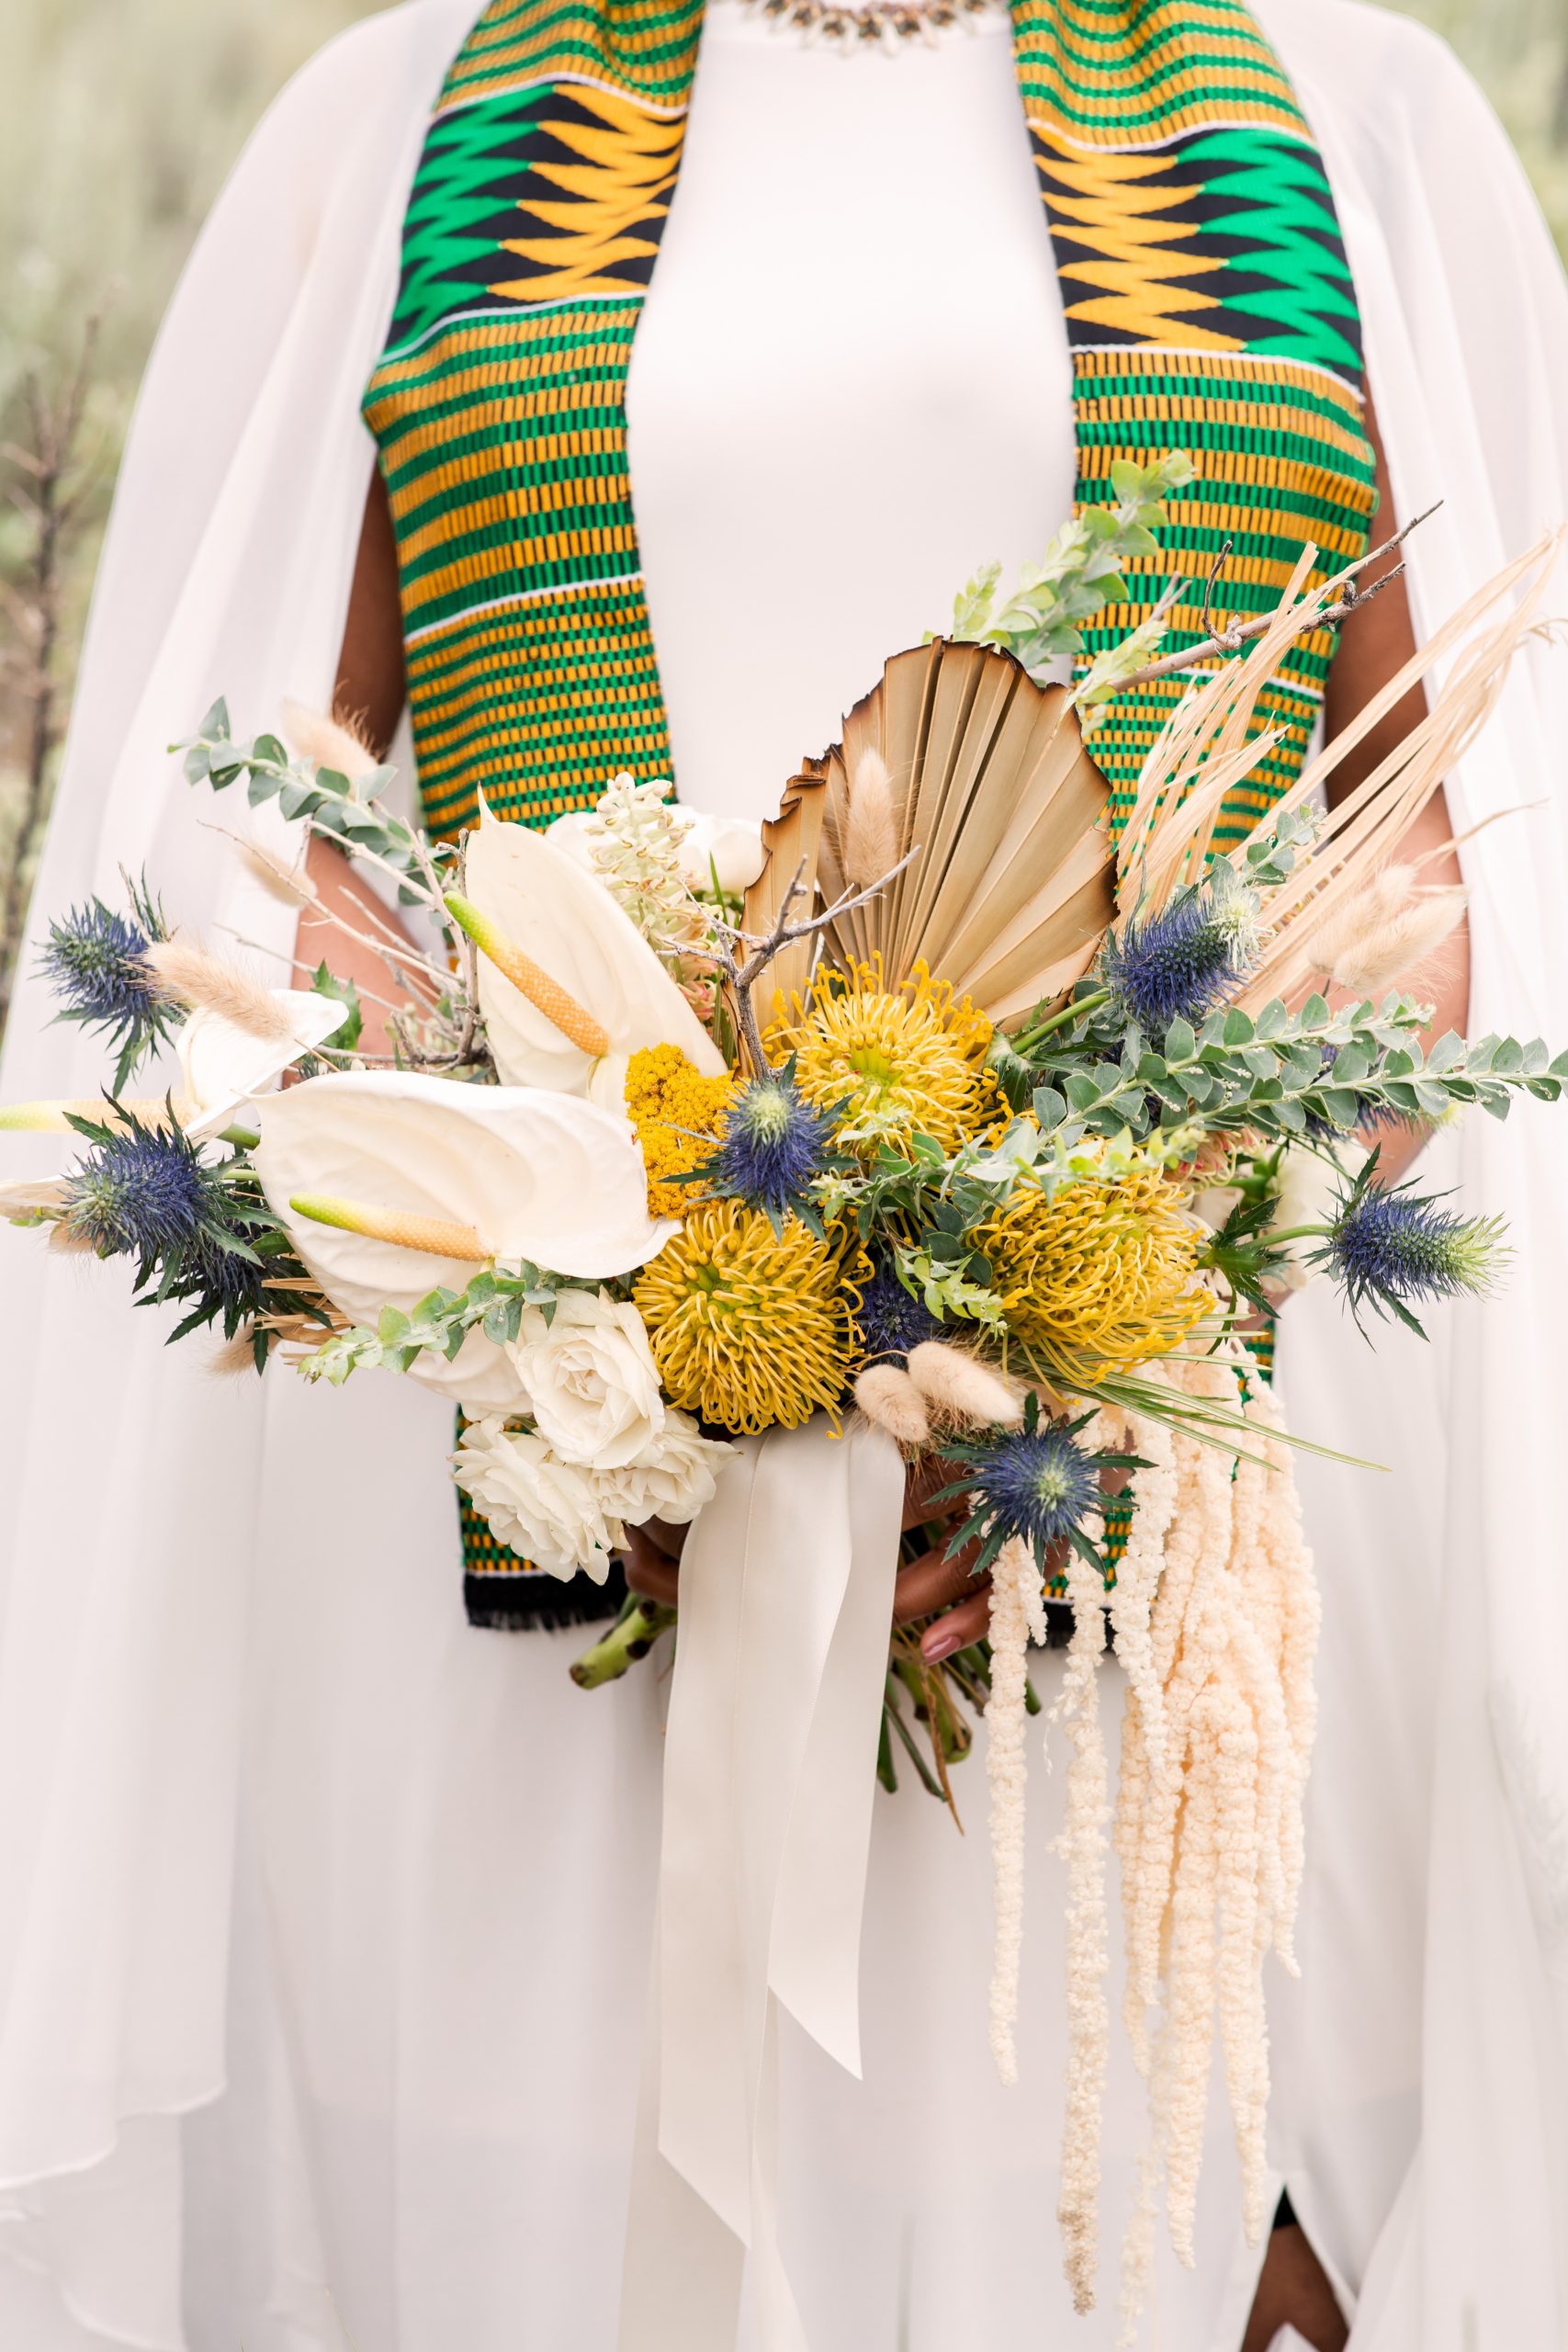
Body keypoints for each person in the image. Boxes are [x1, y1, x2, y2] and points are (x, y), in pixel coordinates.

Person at [0, 3, 1565, 2347]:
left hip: (1106, 1572)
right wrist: (555, 1303)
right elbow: (291, 815)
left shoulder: (1319, 111)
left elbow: (1426, 862)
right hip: (544, 1535)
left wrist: (1107, 1296)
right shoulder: (434, 112)